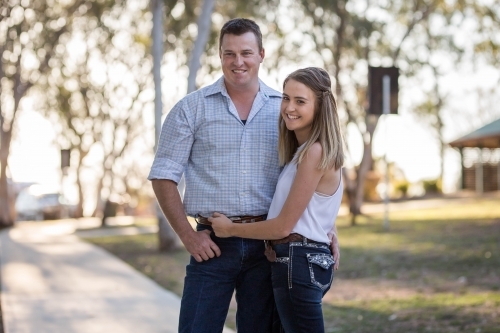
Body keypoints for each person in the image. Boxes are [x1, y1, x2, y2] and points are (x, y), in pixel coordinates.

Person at [149, 17, 339, 332]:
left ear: (261, 54)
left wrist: (327, 229)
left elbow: (310, 177)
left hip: (268, 248)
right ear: (220, 55)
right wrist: (188, 236)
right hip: (212, 244)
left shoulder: (284, 110)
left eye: (247, 53)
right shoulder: (190, 109)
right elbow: (163, 175)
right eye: (229, 53)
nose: (239, 62)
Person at [209, 67, 344, 333]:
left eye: (300, 101)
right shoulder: (305, 152)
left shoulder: (314, 153)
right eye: (285, 98)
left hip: (298, 264)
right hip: (299, 261)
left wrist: (230, 229)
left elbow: (284, 226)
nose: (289, 107)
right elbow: (315, 207)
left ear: (320, 107)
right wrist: (329, 228)